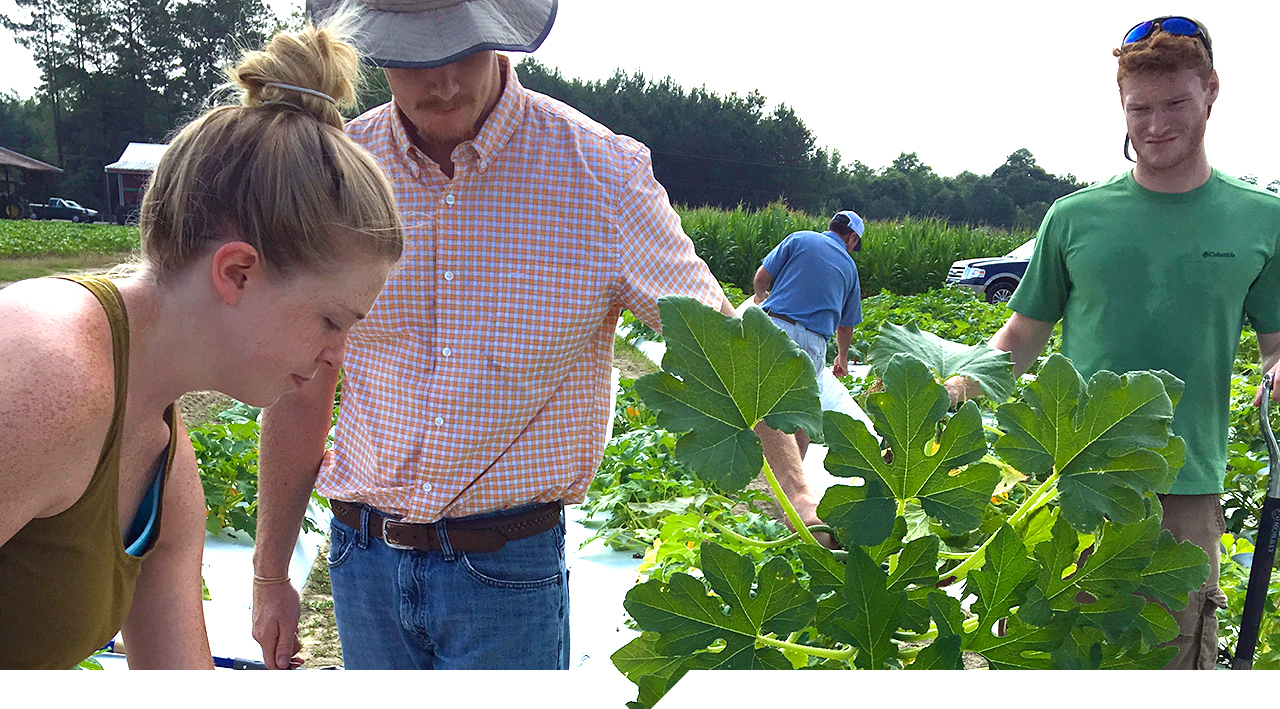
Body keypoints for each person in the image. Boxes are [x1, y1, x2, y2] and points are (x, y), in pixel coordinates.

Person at [250, 0, 821, 670]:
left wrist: (800, 500)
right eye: (415, 58)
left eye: (463, 52)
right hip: (362, 560)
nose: (443, 82)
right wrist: (268, 575)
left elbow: (722, 346)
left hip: (505, 575)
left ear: (502, 34)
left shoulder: (600, 174)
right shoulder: (339, 170)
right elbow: (301, 387)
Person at [0, 21, 403, 669]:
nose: (338, 356)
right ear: (237, 273)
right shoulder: (42, 371)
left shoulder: (163, 461)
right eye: (333, 321)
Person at [945, 16, 1280, 670]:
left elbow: (1275, 345)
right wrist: (956, 382)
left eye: (1176, 103)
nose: (1156, 124)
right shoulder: (1072, 218)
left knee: (1166, 662)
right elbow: (1020, 337)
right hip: (1074, 481)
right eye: (1139, 109)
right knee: (1054, 654)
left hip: (1184, 486)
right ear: (1121, 106)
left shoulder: (1261, 219)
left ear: (1212, 91)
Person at [752, 210, 864, 457]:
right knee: (802, 410)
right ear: (852, 238)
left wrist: (761, 298)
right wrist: (842, 358)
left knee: (762, 398)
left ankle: (757, 466)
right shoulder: (849, 268)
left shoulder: (799, 238)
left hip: (775, 328)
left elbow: (762, 277)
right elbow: (846, 325)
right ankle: (793, 483)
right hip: (813, 341)